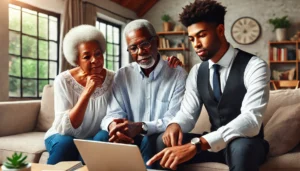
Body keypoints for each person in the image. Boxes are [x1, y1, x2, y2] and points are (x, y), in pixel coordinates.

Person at [147, 0, 270, 171]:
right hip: (212, 145)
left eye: (201, 35)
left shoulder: (255, 66)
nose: (196, 44)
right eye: (191, 38)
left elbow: (251, 120)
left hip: (246, 142)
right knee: (163, 140)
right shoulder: (197, 71)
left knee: (243, 149)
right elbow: (187, 114)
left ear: (220, 30)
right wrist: (175, 125)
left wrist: (198, 145)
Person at [44, 24, 183, 165]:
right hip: (64, 134)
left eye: (98, 53)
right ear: (76, 60)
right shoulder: (63, 80)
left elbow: (115, 113)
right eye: (87, 57)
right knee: (67, 144)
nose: (95, 60)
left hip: (96, 136)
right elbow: (67, 127)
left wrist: (115, 126)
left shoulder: (115, 77)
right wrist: (88, 92)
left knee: (101, 138)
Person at [96, 19, 188, 168]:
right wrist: (113, 126)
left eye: (144, 44)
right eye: (133, 48)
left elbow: (174, 118)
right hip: (127, 137)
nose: (140, 52)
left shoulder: (177, 74)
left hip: (155, 136)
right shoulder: (122, 75)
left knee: (149, 140)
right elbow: (112, 113)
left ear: (156, 41)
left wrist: (141, 127)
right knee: (101, 136)